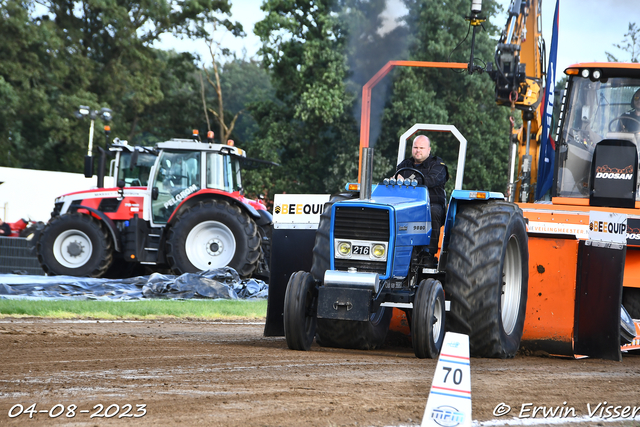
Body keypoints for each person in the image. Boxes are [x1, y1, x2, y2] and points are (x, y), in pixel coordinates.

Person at [395, 135, 449, 267]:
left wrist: (409, 182)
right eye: (415, 147)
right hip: (407, 205)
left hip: (430, 204)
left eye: (421, 148)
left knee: (433, 211)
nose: (418, 150)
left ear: (429, 150)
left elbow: (432, 180)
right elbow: (397, 179)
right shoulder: (404, 165)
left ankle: (428, 255)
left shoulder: (438, 165)